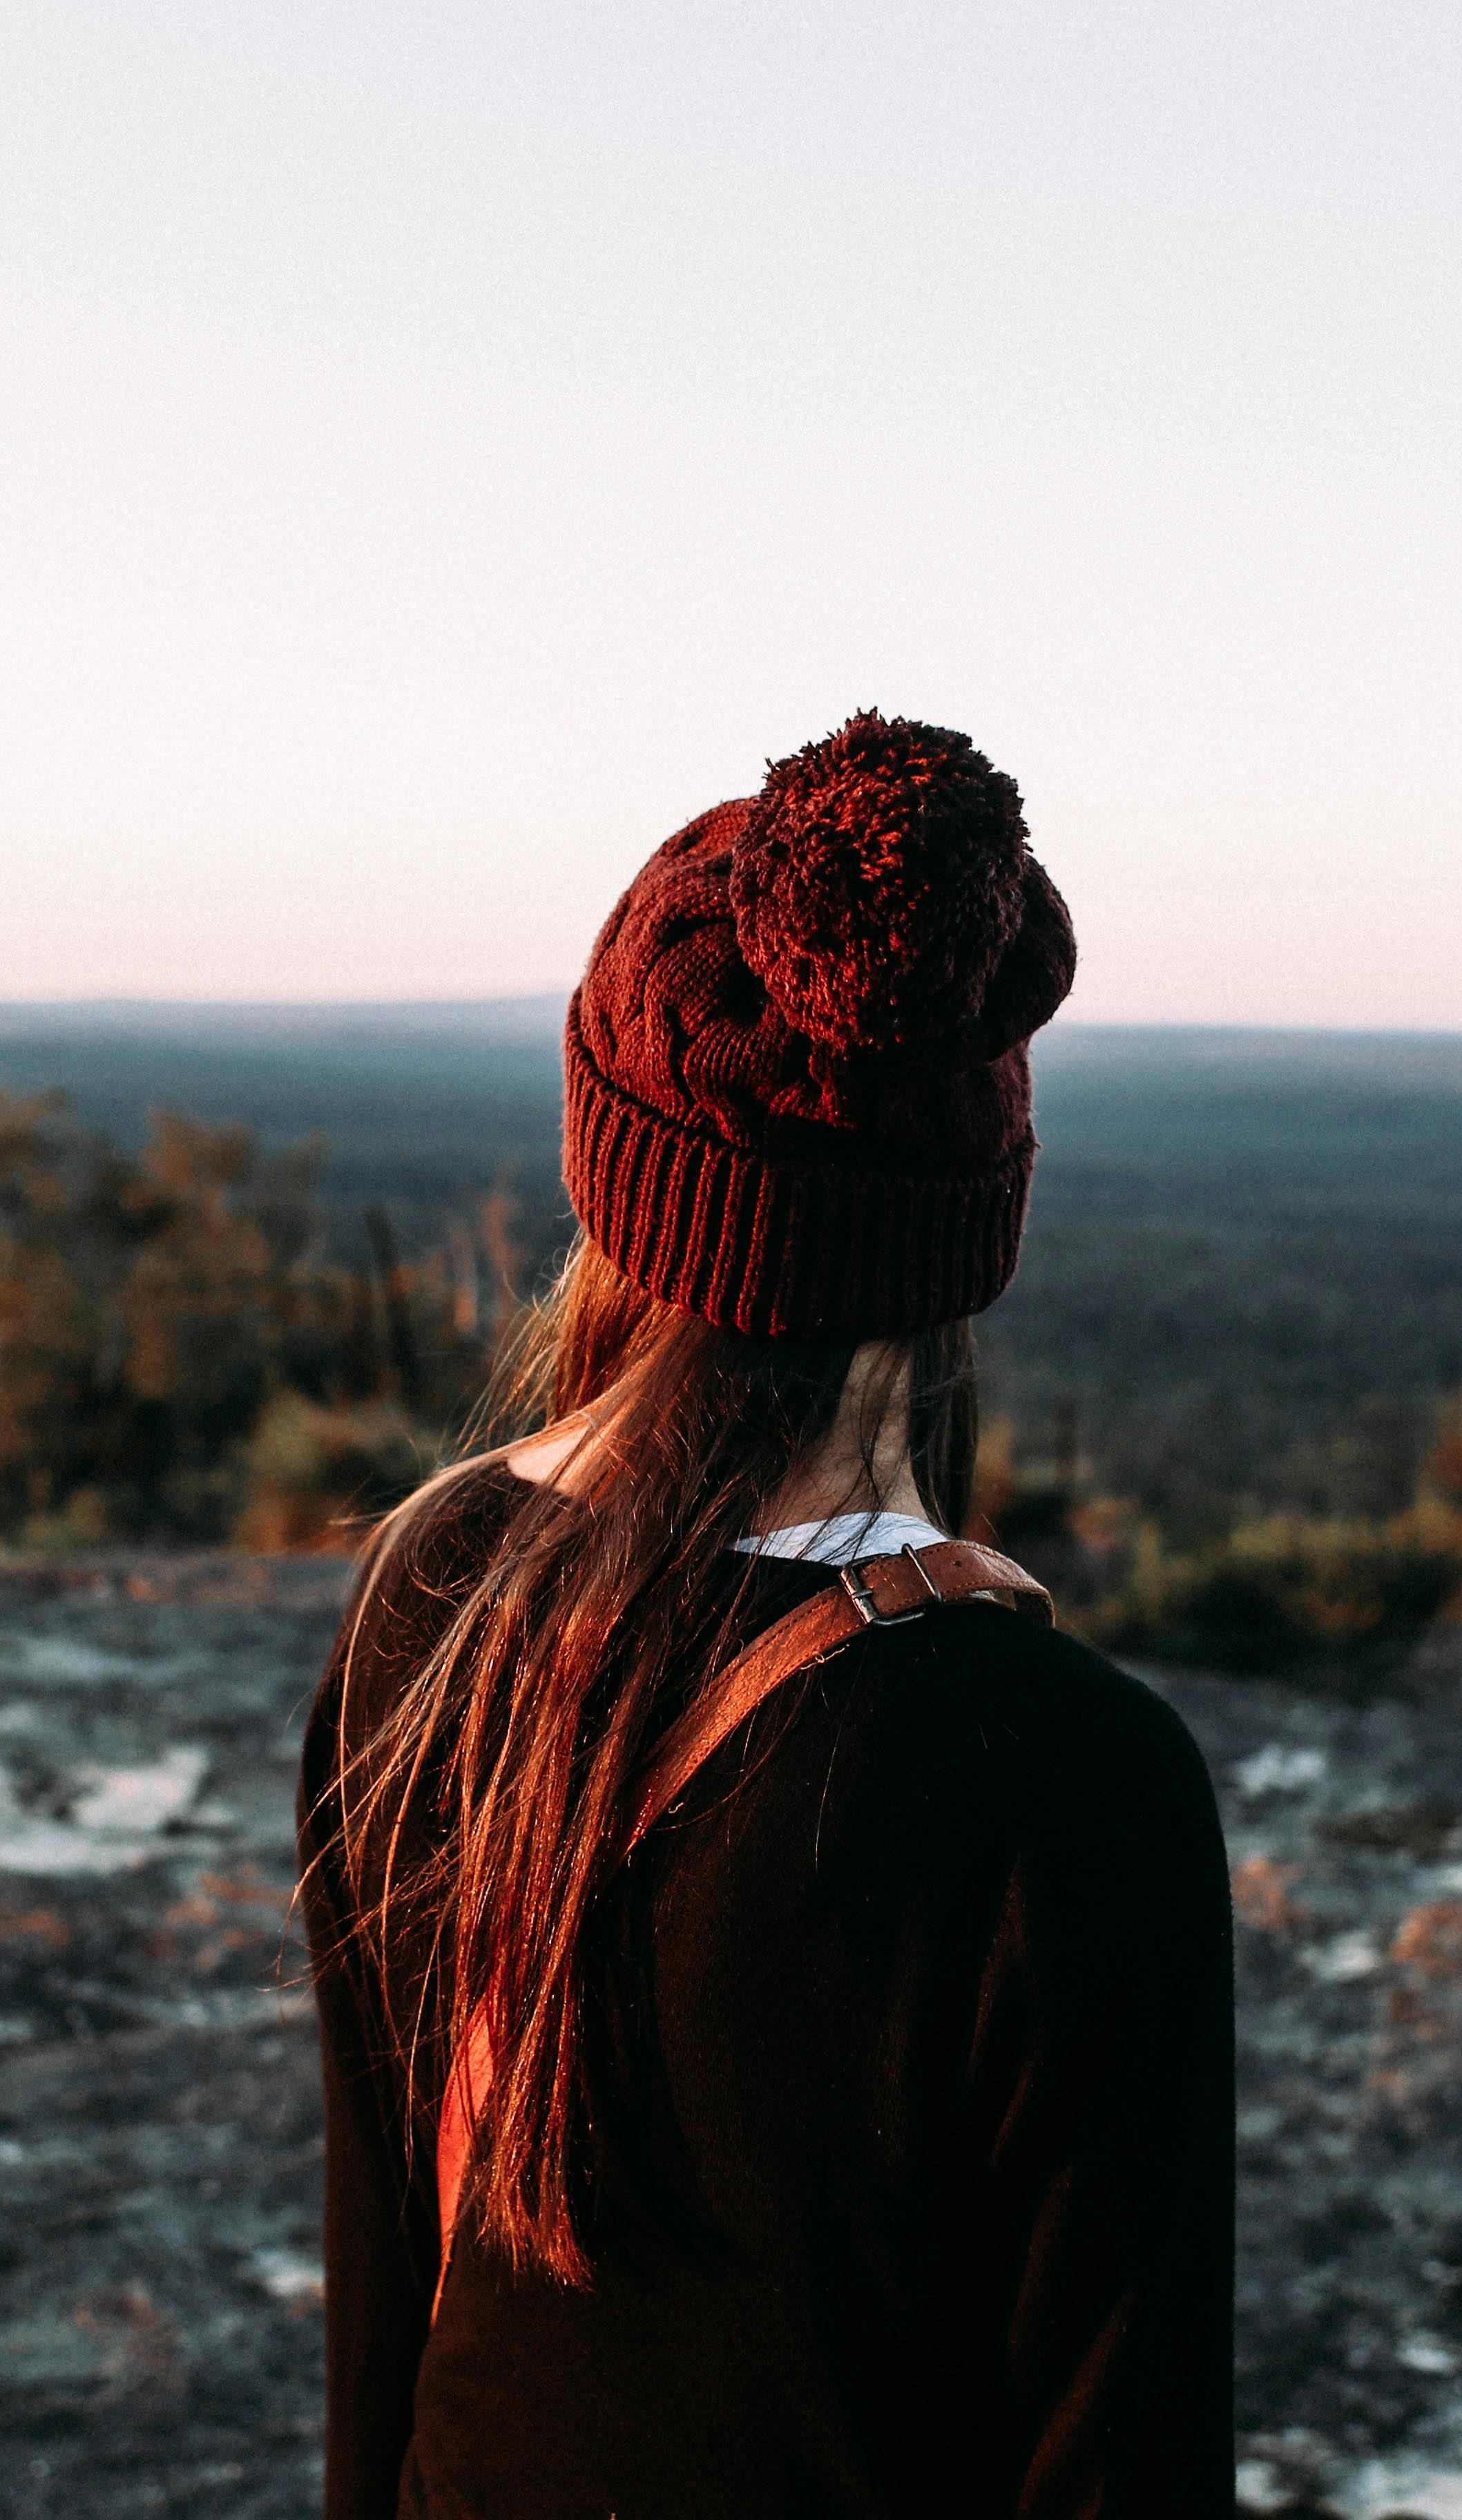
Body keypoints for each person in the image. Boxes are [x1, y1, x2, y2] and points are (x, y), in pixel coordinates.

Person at [296, 713, 1235, 2517]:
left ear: (613, 1174)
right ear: (971, 1232)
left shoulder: (426, 1597)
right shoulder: (1066, 1790)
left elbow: (388, 2326)